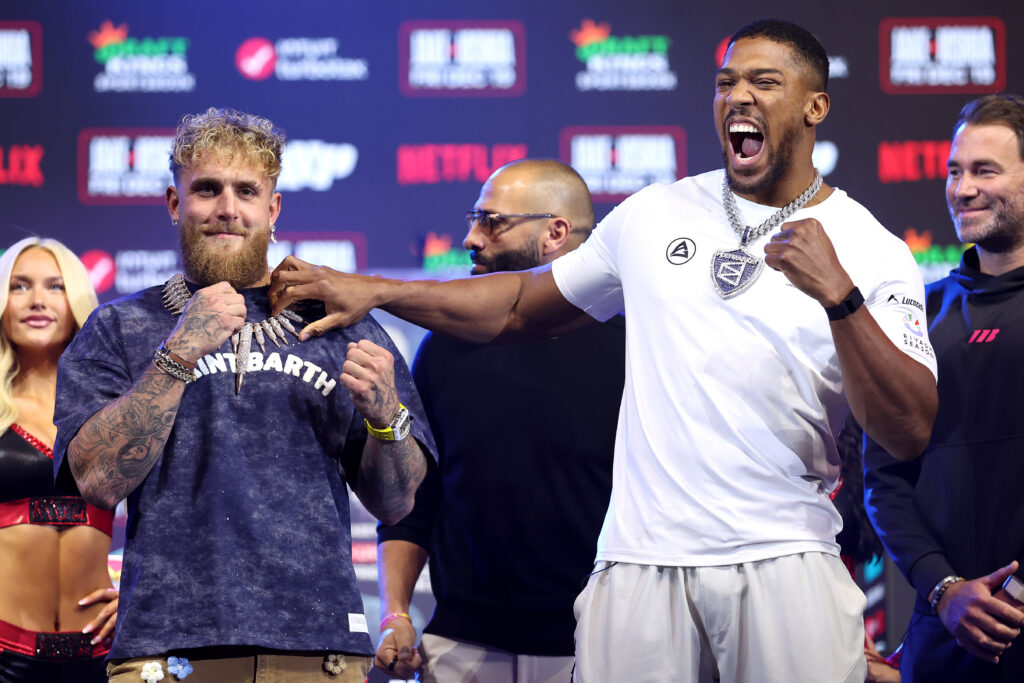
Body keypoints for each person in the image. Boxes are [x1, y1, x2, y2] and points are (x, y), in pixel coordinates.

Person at [270, 19, 938, 683]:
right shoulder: (653, 215)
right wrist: (374, 289)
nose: (739, 97)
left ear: (815, 105)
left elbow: (907, 429)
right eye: (726, 82)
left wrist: (842, 299)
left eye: (766, 82)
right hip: (638, 565)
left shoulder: (871, 248)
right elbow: (516, 305)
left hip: (782, 556)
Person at [50, 108, 435, 683]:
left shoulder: (341, 326)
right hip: (166, 651)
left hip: (319, 650)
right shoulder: (118, 328)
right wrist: (178, 355)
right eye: (207, 188)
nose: (227, 208)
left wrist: (388, 419)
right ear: (175, 203)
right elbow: (98, 481)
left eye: (246, 191)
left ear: (272, 209)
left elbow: (397, 502)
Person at [374, 159, 626, 682]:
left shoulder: (635, 348)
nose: (471, 238)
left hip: (599, 646)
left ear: (555, 233)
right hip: (462, 646)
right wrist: (396, 613)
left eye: (492, 222)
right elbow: (417, 502)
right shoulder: (445, 348)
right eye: (475, 218)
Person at [864, 93, 1024, 682]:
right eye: (955, 171)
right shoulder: (919, 314)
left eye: (985, 170)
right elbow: (882, 477)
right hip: (944, 627)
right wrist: (946, 589)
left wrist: (1014, 591)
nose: (962, 189)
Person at [0, 237, 118, 682]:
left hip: (102, 660)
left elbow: (175, 512)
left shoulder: (118, 404)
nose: (37, 301)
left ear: (76, 301)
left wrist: (144, 592)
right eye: (19, 286)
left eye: (55, 286)